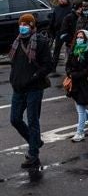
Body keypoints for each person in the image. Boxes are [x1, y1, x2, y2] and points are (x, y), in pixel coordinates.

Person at [9, 14, 54, 169]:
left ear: (33, 26)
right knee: (15, 119)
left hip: (34, 87)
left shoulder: (40, 41)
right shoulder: (17, 41)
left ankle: (33, 154)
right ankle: (35, 141)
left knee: (32, 120)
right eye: (21, 23)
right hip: (18, 87)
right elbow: (14, 63)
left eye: (26, 24)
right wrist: (14, 79)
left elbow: (48, 65)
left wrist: (34, 76)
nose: (23, 26)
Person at [65, 30, 88, 142]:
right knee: (80, 107)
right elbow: (68, 64)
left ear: (86, 39)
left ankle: (80, 132)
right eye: (78, 37)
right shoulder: (74, 50)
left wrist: (77, 74)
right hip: (75, 82)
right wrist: (69, 73)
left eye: (82, 37)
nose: (79, 39)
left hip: (86, 82)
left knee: (80, 108)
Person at [51, 0, 73, 64]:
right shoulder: (57, 8)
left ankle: (69, 66)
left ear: (66, 0)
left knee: (69, 50)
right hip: (58, 31)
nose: (60, 0)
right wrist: (51, 30)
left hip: (68, 32)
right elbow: (53, 19)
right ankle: (53, 66)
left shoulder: (70, 9)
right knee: (56, 49)